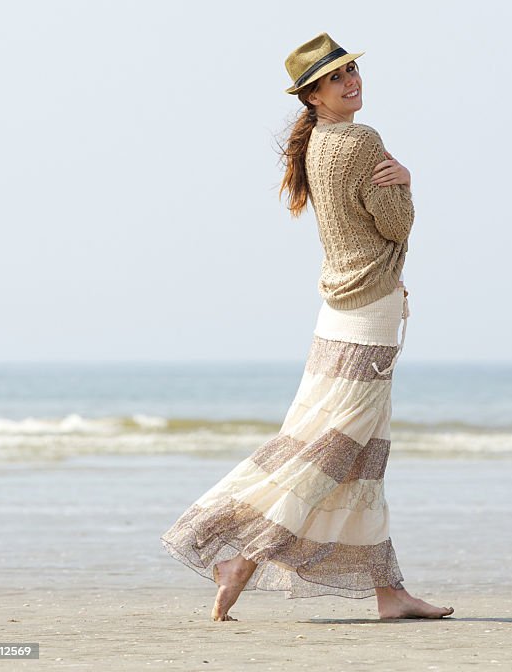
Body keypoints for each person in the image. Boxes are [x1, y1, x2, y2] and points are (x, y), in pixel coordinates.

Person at [160, 32, 454, 622]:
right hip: (368, 313)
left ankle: (388, 593)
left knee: (358, 458)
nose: (352, 82)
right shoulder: (360, 139)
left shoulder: (319, 142)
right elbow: (395, 226)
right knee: (331, 451)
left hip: (338, 312)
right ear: (313, 96)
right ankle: (239, 552)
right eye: (337, 78)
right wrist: (410, 183)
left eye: (351, 71)